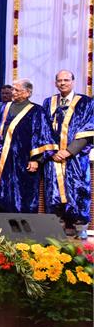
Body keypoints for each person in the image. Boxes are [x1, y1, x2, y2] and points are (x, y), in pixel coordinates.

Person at [0, 78, 57, 213]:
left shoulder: (37, 111)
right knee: (0, 191)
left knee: (23, 193)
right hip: (3, 158)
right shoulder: (4, 108)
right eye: (13, 89)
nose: (13, 92)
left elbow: (43, 136)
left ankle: (22, 223)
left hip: (24, 160)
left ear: (27, 93)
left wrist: (36, 159)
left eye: (17, 90)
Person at [42, 70, 94, 238]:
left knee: (78, 190)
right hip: (54, 158)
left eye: (66, 80)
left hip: (76, 158)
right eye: (59, 80)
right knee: (54, 192)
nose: (63, 83)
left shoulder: (86, 102)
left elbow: (88, 129)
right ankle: (57, 229)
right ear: (55, 83)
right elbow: (43, 129)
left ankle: (80, 228)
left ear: (73, 81)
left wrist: (69, 151)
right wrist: (52, 152)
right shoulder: (48, 102)